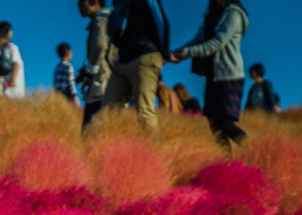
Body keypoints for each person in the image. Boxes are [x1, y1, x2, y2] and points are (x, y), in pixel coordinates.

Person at [171, 0, 249, 153]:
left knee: (225, 123)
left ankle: (257, 150)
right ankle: (226, 164)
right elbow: (198, 40)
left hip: (229, 76)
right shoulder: (211, 16)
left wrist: (187, 52)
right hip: (212, 76)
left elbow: (217, 43)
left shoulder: (233, 13)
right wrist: (175, 53)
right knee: (214, 125)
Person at [103, 0, 170, 129]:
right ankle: (101, 148)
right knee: (106, 113)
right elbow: (114, 26)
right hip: (123, 61)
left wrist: (164, 52)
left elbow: (162, 22)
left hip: (145, 57)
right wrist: (120, 41)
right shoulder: (119, 5)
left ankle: (154, 149)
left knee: (144, 113)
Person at [78, 0, 114, 129]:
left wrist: (90, 71)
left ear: (93, 1)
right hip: (112, 82)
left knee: (90, 132)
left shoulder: (100, 19)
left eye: (81, 2)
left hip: (101, 83)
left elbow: (99, 46)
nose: (78, 5)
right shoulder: (111, 18)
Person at [0, 21, 25, 98]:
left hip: (8, 88)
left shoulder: (2, 49)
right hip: (12, 89)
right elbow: (15, 63)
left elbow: (16, 64)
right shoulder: (11, 48)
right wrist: (13, 80)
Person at [54, 43, 81, 107]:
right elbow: (71, 84)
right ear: (67, 52)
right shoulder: (68, 66)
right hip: (67, 97)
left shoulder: (57, 67)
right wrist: (76, 100)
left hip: (58, 98)